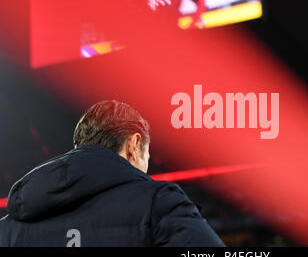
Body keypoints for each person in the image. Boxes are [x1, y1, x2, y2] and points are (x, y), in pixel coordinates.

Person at [0, 100, 225, 247]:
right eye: (147, 155)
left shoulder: (13, 223)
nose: (146, 163)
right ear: (134, 144)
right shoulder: (159, 202)